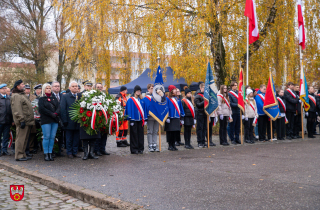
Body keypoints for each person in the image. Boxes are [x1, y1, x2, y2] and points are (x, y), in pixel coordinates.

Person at [11, 80, 35, 161]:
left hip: (27, 120)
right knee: (20, 139)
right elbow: (17, 109)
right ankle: (19, 155)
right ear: (18, 86)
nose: (24, 85)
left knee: (24, 139)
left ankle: (23, 154)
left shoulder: (22, 95)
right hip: (23, 120)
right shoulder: (16, 96)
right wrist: (21, 120)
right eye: (22, 84)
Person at [38, 83, 60, 161]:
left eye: (49, 88)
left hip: (54, 120)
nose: (49, 89)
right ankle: (46, 153)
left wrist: (56, 113)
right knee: (46, 136)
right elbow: (42, 109)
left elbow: (58, 107)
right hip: (46, 120)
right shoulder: (42, 99)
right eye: (47, 88)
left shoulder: (54, 98)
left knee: (52, 137)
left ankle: (50, 153)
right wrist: (51, 114)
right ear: (44, 89)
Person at [60, 81, 81, 159]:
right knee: (69, 138)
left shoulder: (79, 96)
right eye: (73, 86)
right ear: (70, 88)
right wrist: (64, 120)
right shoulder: (65, 97)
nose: (75, 87)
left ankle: (75, 152)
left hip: (78, 121)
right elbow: (63, 109)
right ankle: (69, 152)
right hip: (69, 121)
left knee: (76, 138)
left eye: (76, 86)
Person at [125, 85, 147, 154]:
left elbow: (145, 109)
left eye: (139, 91)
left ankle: (141, 148)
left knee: (140, 134)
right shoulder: (131, 100)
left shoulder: (142, 100)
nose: (138, 92)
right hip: (133, 120)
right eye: (137, 91)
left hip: (141, 120)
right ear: (135, 91)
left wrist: (145, 118)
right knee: (134, 135)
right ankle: (134, 149)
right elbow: (128, 109)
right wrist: (130, 119)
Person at [165, 85, 185, 151]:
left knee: (175, 132)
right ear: (171, 91)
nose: (176, 90)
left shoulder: (176, 99)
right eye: (174, 89)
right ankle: (170, 145)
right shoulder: (167, 98)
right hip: (170, 118)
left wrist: (182, 117)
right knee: (170, 132)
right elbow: (166, 107)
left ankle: (173, 145)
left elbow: (180, 108)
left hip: (176, 117)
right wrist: (167, 116)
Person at [94, 82, 110, 156]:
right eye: (98, 87)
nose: (100, 88)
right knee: (97, 135)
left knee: (104, 135)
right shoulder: (93, 96)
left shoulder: (105, 96)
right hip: (97, 118)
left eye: (101, 87)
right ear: (95, 88)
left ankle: (102, 149)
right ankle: (96, 150)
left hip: (104, 118)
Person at [143, 84, 160, 152]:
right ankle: (150, 145)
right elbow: (144, 109)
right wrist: (145, 118)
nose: (152, 90)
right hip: (149, 117)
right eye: (151, 88)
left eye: (153, 88)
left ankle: (154, 144)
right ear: (148, 89)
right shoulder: (145, 98)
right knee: (150, 131)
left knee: (155, 131)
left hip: (156, 117)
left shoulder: (156, 97)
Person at [0, 84, 13, 156]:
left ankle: (4, 150)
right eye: (3, 88)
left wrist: (12, 120)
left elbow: (12, 110)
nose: (4, 89)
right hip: (0, 120)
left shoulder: (9, 98)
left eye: (5, 88)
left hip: (7, 120)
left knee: (5, 137)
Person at [194, 82, 207, 148]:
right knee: (200, 128)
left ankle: (203, 141)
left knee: (204, 128)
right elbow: (198, 105)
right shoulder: (197, 95)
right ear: (201, 88)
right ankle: (199, 142)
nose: (205, 89)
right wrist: (205, 101)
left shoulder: (206, 95)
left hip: (205, 113)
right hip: (200, 113)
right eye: (204, 88)